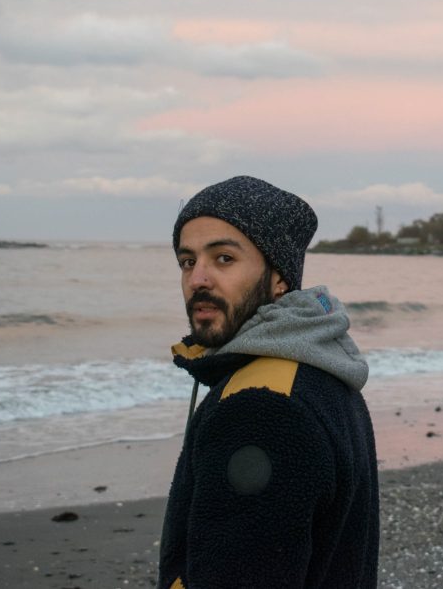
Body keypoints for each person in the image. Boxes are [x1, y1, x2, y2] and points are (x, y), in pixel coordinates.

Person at [158, 176, 379, 589]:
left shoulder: (261, 406)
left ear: (279, 276)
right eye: (188, 261)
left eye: (223, 258)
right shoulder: (321, 365)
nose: (197, 279)